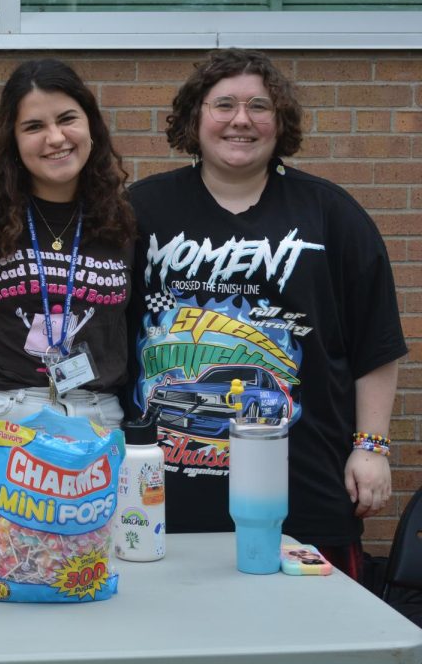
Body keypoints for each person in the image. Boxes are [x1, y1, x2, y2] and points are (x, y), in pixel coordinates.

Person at [128, 48, 406, 580]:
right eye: (224, 104)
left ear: (280, 122)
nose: (241, 119)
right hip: (165, 493)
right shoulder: (142, 211)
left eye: (259, 106)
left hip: (305, 486)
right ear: (194, 116)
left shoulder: (330, 214)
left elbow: (377, 342)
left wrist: (371, 448)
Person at [0, 59, 135, 539]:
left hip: (92, 423)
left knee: (84, 579)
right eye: (34, 126)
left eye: (67, 119)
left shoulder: (123, 218)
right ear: (12, 140)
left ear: (90, 126)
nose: (55, 138)